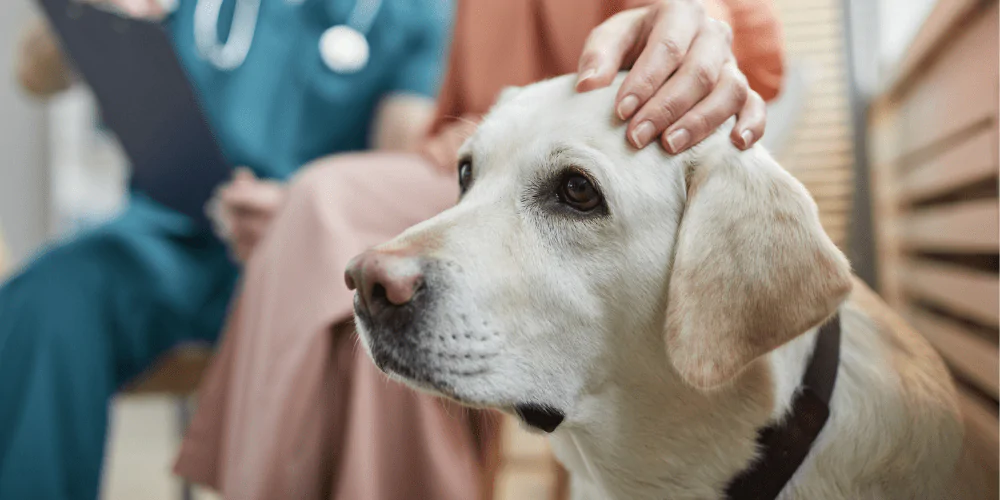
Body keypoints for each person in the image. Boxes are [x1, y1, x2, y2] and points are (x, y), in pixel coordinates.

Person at [173, 0, 785, 499]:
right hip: (472, 176)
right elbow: (447, 133)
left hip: (578, 188)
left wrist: (695, 24)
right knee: (338, 254)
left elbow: (747, 49)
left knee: (323, 203)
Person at [0, 1, 452, 498]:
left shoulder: (415, 12)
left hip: (309, 262)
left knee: (360, 348)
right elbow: (33, 76)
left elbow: (400, 164)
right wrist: (96, 11)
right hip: (166, 240)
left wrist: (299, 210)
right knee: (48, 301)